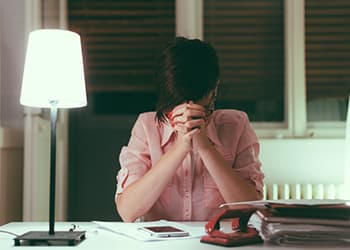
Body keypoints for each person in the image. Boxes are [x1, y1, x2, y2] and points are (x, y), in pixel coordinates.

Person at [115, 37, 264, 222]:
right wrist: (180, 148)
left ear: (214, 91)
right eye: (179, 109)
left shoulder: (236, 125)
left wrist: (205, 148)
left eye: (200, 110)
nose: (188, 114)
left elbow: (250, 208)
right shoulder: (147, 126)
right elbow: (127, 211)